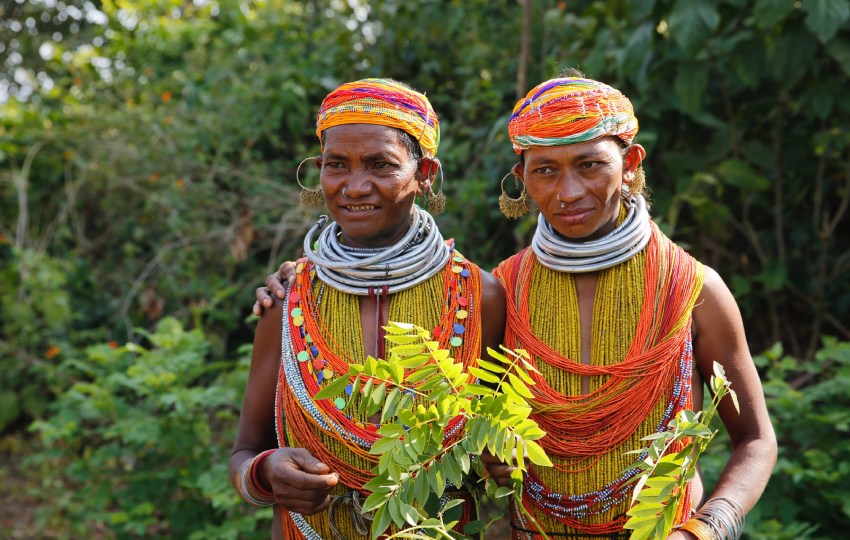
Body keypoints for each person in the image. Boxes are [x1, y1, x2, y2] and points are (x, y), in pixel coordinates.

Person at [256, 73, 777, 540]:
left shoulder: (693, 290)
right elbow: (474, 435)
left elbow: (754, 439)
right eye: (546, 169)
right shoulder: (502, 291)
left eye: (591, 165)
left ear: (632, 162)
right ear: (522, 178)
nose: (568, 191)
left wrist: (706, 529)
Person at [231, 78, 505, 540]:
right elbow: (245, 451)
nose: (355, 187)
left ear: (425, 174)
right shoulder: (288, 301)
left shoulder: (479, 297)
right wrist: (267, 472)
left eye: (381, 165)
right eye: (337, 165)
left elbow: (498, 448)